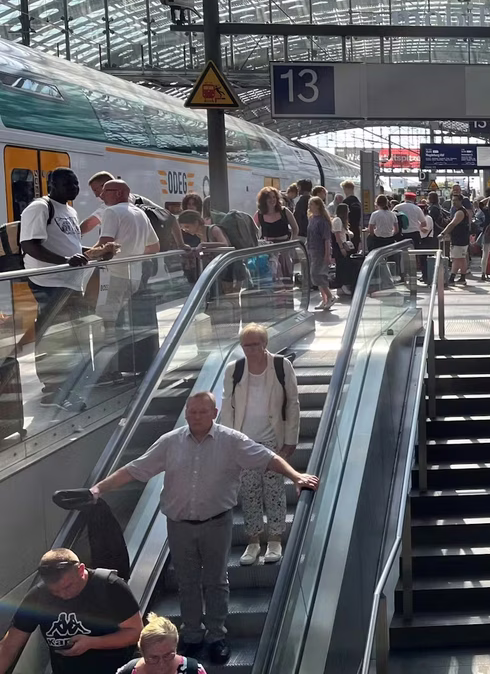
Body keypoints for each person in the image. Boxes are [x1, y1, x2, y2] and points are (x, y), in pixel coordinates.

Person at [89, 391, 318, 664]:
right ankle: (192, 635)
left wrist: (296, 476)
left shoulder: (231, 441)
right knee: (187, 582)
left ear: (214, 413)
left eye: (202, 411)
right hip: (179, 525)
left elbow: (267, 458)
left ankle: (216, 637)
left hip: (216, 524)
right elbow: (134, 469)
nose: (196, 416)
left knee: (216, 581)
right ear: (186, 412)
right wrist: (99, 489)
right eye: (192, 411)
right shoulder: (170, 442)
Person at [20, 167, 103, 403]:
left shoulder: (70, 210)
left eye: (76, 184)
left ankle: (68, 381)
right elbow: (29, 245)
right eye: (68, 184)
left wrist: (94, 252)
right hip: (48, 281)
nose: (74, 188)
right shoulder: (39, 208)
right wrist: (66, 261)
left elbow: (70, 245)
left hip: (70, 281)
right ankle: (53, 386)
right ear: (52, 185)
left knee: (70, 334)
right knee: (53, 334)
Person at [221, 325, 300, 565]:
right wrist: (228, 441)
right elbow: (227, 407)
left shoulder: (281, 366)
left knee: (274, 489)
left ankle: (275, 539)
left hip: (272, 438)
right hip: (244, 440)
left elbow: (292, 403)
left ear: (265, 343)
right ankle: (253, 541)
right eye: (246, 345)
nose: (250, 349)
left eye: (255, 344)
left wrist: (290, 440)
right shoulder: (234, 369)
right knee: (249, 491)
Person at [0, 548, 142, 674]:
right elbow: (10, 645)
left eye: (68, 586)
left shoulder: (110, 586)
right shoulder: (38, 596)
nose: (63, 594)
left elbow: (135, 632)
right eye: (55, 591)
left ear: (81, 569)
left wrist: (92, 643)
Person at [96, 178, 159, 341]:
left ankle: (111, 348)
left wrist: (85, 255)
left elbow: (104, 245)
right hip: (135, 275)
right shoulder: (140, 213)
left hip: (114, 274)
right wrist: (134, 256)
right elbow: (154, 246)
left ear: (118, 193)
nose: (101, 195)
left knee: (109, 318)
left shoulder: (111, 212)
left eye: (105, 191)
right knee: (124, 315)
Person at [115, 613, 207, 674]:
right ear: (142, 653)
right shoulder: (126, 672)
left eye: (168, 655)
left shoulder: (194, 671)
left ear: (176, 648)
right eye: (153, 658)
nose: (161, 665)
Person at [306, 196, 335, 310]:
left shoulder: (322, 221)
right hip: (312, 250)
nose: (309, 207)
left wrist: (327, 254)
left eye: (312, 204)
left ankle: (329, 296)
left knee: (317, 274)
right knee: (317, 275)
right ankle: (324, 299)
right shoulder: (312, 219)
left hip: (320, 251)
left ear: (318, 206)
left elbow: (326, 239)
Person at [440, 193, 472, 284]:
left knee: (456, 258)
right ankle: (461, 277)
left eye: (456, 200)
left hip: (459, 239)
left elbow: (452, 224)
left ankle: (453, 278)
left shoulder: (460, 212)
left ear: (461, 201)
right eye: (453, 200)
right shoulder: (463, 211)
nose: (454, 202)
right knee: (461, 258)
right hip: (462, 238)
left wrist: (443, 233)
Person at [341, 181, 363, 248]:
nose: (344, 191)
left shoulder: (345, 202)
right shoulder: (358, 202)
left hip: (348, 229)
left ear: (347, 189)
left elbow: (342, 217)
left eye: (344, 189)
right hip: (357, 229)